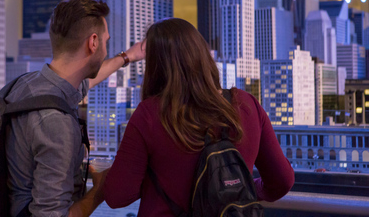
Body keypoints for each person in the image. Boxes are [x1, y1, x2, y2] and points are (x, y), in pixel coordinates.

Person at [104, 18, 295, 216]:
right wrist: (238, 190)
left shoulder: (149, 115)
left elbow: (118, 196)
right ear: (203, 56)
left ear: (155, 66)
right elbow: (282, 181)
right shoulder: (246, 104)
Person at [5, 0, 145, 217]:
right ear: (93, 42)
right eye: (106, 42)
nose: (106, 49)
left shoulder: (28, 85)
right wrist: (99, 191)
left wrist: (127, 57)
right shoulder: (55, 122)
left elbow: (87, 80)